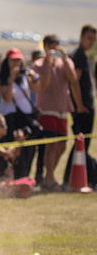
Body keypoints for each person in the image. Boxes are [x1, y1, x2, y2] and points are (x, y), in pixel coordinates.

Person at [32, 34, 85, 191]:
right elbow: (43, 86)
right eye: (51, 45)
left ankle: (49, 176)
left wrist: (65, 58)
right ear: (45, 46)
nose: (54, 47)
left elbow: (72, 78)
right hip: (47, 109)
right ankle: (49, 179)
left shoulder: (65, 61)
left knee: (61, 146)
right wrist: (48, 63)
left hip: (63, 108)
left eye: (56, 44)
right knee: (50, 146)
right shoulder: (39, 64)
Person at [0, 48, 42, 179]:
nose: (16, 63)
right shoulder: (2, 78)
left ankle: (25, 177)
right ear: (7, 61)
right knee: (13, 150)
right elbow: (7, 98)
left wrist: (35, 78)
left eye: (18, 60)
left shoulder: (25, 75)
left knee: (28, 150)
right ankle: (12, 178)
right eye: (13, 60)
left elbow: (38, 89)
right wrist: (11, 79)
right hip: (10, 118)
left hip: (26, 118)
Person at [66, 25, 96, 173]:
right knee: (81, 144)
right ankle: (71, 178)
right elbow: (74, 81)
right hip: (83, 107)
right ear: (81, 37)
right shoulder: (79, 56)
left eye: (94, 40)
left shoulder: (82, 55)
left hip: (85, 104)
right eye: (89, 38)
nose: (91, 42)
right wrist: (79, 105)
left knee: (82, 145)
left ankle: (75, 177)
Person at [0, 113, 34, 198]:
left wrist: (19, 143)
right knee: (26, 186)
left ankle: (15, 192)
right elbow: (7, 153)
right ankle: (13, 192)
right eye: (2, 125)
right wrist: (17, 142)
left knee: (30, 180)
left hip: (5, 181)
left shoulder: (3, 141)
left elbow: (14, 157)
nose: (6, 127)